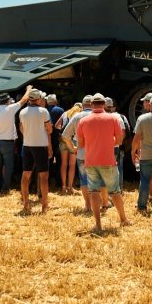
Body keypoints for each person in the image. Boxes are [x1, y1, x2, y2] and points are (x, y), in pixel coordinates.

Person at [77, 93, 131, 231]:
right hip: (108, 160)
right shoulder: (112, 118)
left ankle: (98, 224)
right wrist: (108, 142)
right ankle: (123, 219)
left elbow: (81, 144)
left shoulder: (83, 121)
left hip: (90, 161)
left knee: (94, 192)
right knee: (115, 191)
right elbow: (119, 140)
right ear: (104, 105)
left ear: (92, 104)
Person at [0, 87, 33, 193]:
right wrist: (28, 90)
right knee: (8, 166)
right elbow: (23, 100)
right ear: (8, 101)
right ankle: (5, 188)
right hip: (7, 143)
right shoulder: (10, 108)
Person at [63, 95, 108, 212]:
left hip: (82, 153)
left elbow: (65, 135)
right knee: (100, 179)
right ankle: (102, 203)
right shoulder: (100, 116)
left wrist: (72, 148)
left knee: (84, 180)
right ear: (93, 104)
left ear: (83, 105)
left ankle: (88, 205)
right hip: (99, 153)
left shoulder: (77, 116)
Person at [19, 89, 53, 213]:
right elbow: (49, 129)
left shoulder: (22, 112)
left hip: (27, 145)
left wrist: (28, 134)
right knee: (43, 176)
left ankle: (26, 203)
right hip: (40, 145)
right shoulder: (43, 111)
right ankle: (44, 205)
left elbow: (21, 128)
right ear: (38, 99)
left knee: (26, 174)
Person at [56, 102, 82, 195]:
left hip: (63, 140)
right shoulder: (79, 114)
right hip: (73, 140)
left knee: (64, 164)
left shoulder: (65, 113)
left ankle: (63, 187)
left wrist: (62, 130)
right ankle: (70, 187)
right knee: (72, 164)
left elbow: (56, 125)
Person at [106, 97, 130, 191]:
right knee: (118, 169)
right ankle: (119, 190)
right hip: (119, 146)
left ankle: (111, 191)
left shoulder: (112, 117)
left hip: (113, 146)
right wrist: (118, 143)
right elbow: (124, 132)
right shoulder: (121, 117)